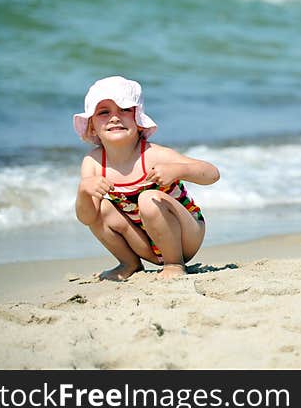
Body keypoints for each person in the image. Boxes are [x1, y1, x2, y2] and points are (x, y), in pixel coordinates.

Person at [73, 76, 220, 281]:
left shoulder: (152, 154)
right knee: (101, 210)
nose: (115, 117)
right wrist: (83, 191)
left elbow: (212, 174)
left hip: (185, 237)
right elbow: (87, 219)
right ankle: (129, 263)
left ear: (139, 120)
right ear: (92, 126)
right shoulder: (93, 162)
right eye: (104, 112)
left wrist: (178, 170)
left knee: (148, 199)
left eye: (124, 110)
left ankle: (174, 264)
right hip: (144, 243)